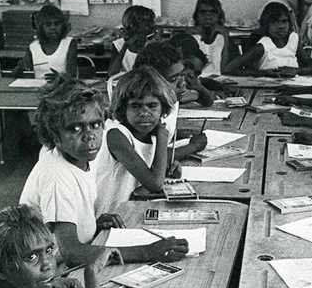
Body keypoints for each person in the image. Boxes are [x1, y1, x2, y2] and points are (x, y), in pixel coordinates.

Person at [19, 73, 187, 267]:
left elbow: (66, 227)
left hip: (62, 260)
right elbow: (72, 253)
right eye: (75, 129)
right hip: (48, 272)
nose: (89, 136)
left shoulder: (80, 160)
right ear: (54, 135)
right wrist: (148, 251)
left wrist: (92, 225)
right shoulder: (57, 176)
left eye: (95, 125)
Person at [95, 66, 179, 213]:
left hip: (133, 210)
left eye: (152, 106)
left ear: (163, 108)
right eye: (136, 106)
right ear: (122, 108)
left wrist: (168, 166)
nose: (144, 113)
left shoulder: (150, 134)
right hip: (109, 216)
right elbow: (154, 184)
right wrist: (162, 138)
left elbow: (148, 172)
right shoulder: (116, 135)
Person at [133, 41, 207, 158]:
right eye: (173, 79)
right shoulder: (142, 111)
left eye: (182, 75)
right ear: (150, 81)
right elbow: (150, 157)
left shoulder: (171, 99)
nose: (182, 84)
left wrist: (180, 133)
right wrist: (193, 147)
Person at [225, 1, 298, 77]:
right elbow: (228, 69)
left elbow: (311, 66)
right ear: (266, 25)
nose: (281, 26)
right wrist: (264, 73)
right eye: (274, 22)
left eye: (284, 21)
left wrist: (296, 70)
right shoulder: (263, 46)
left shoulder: (293, 40)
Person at [13, 4, 77, 80]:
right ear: (41, 27)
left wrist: (61, 77)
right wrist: (19, 68)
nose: (53, 27)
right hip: (38, 88)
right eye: (48, 24)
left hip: (63, 87)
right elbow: (17, 73)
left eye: (57, 24)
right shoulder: (33, 47)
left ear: (63, 26)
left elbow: (72, 74)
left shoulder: (69, 43)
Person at [191, 0, 235, 76]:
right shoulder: (190, 37)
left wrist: (225, 37)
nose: (208, 16)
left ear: (219, 15)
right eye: (203, 12)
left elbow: (225, 70)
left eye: (213, 12)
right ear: (197, 15)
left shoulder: (223, 37)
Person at [108, 5, 156, 78]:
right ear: (133, 25)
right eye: (148, 22)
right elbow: (112, 73)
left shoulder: (152, 44)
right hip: (126, 85)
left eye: (152, 21)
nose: (152, 25)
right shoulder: (118, 44)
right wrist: (125, 46)